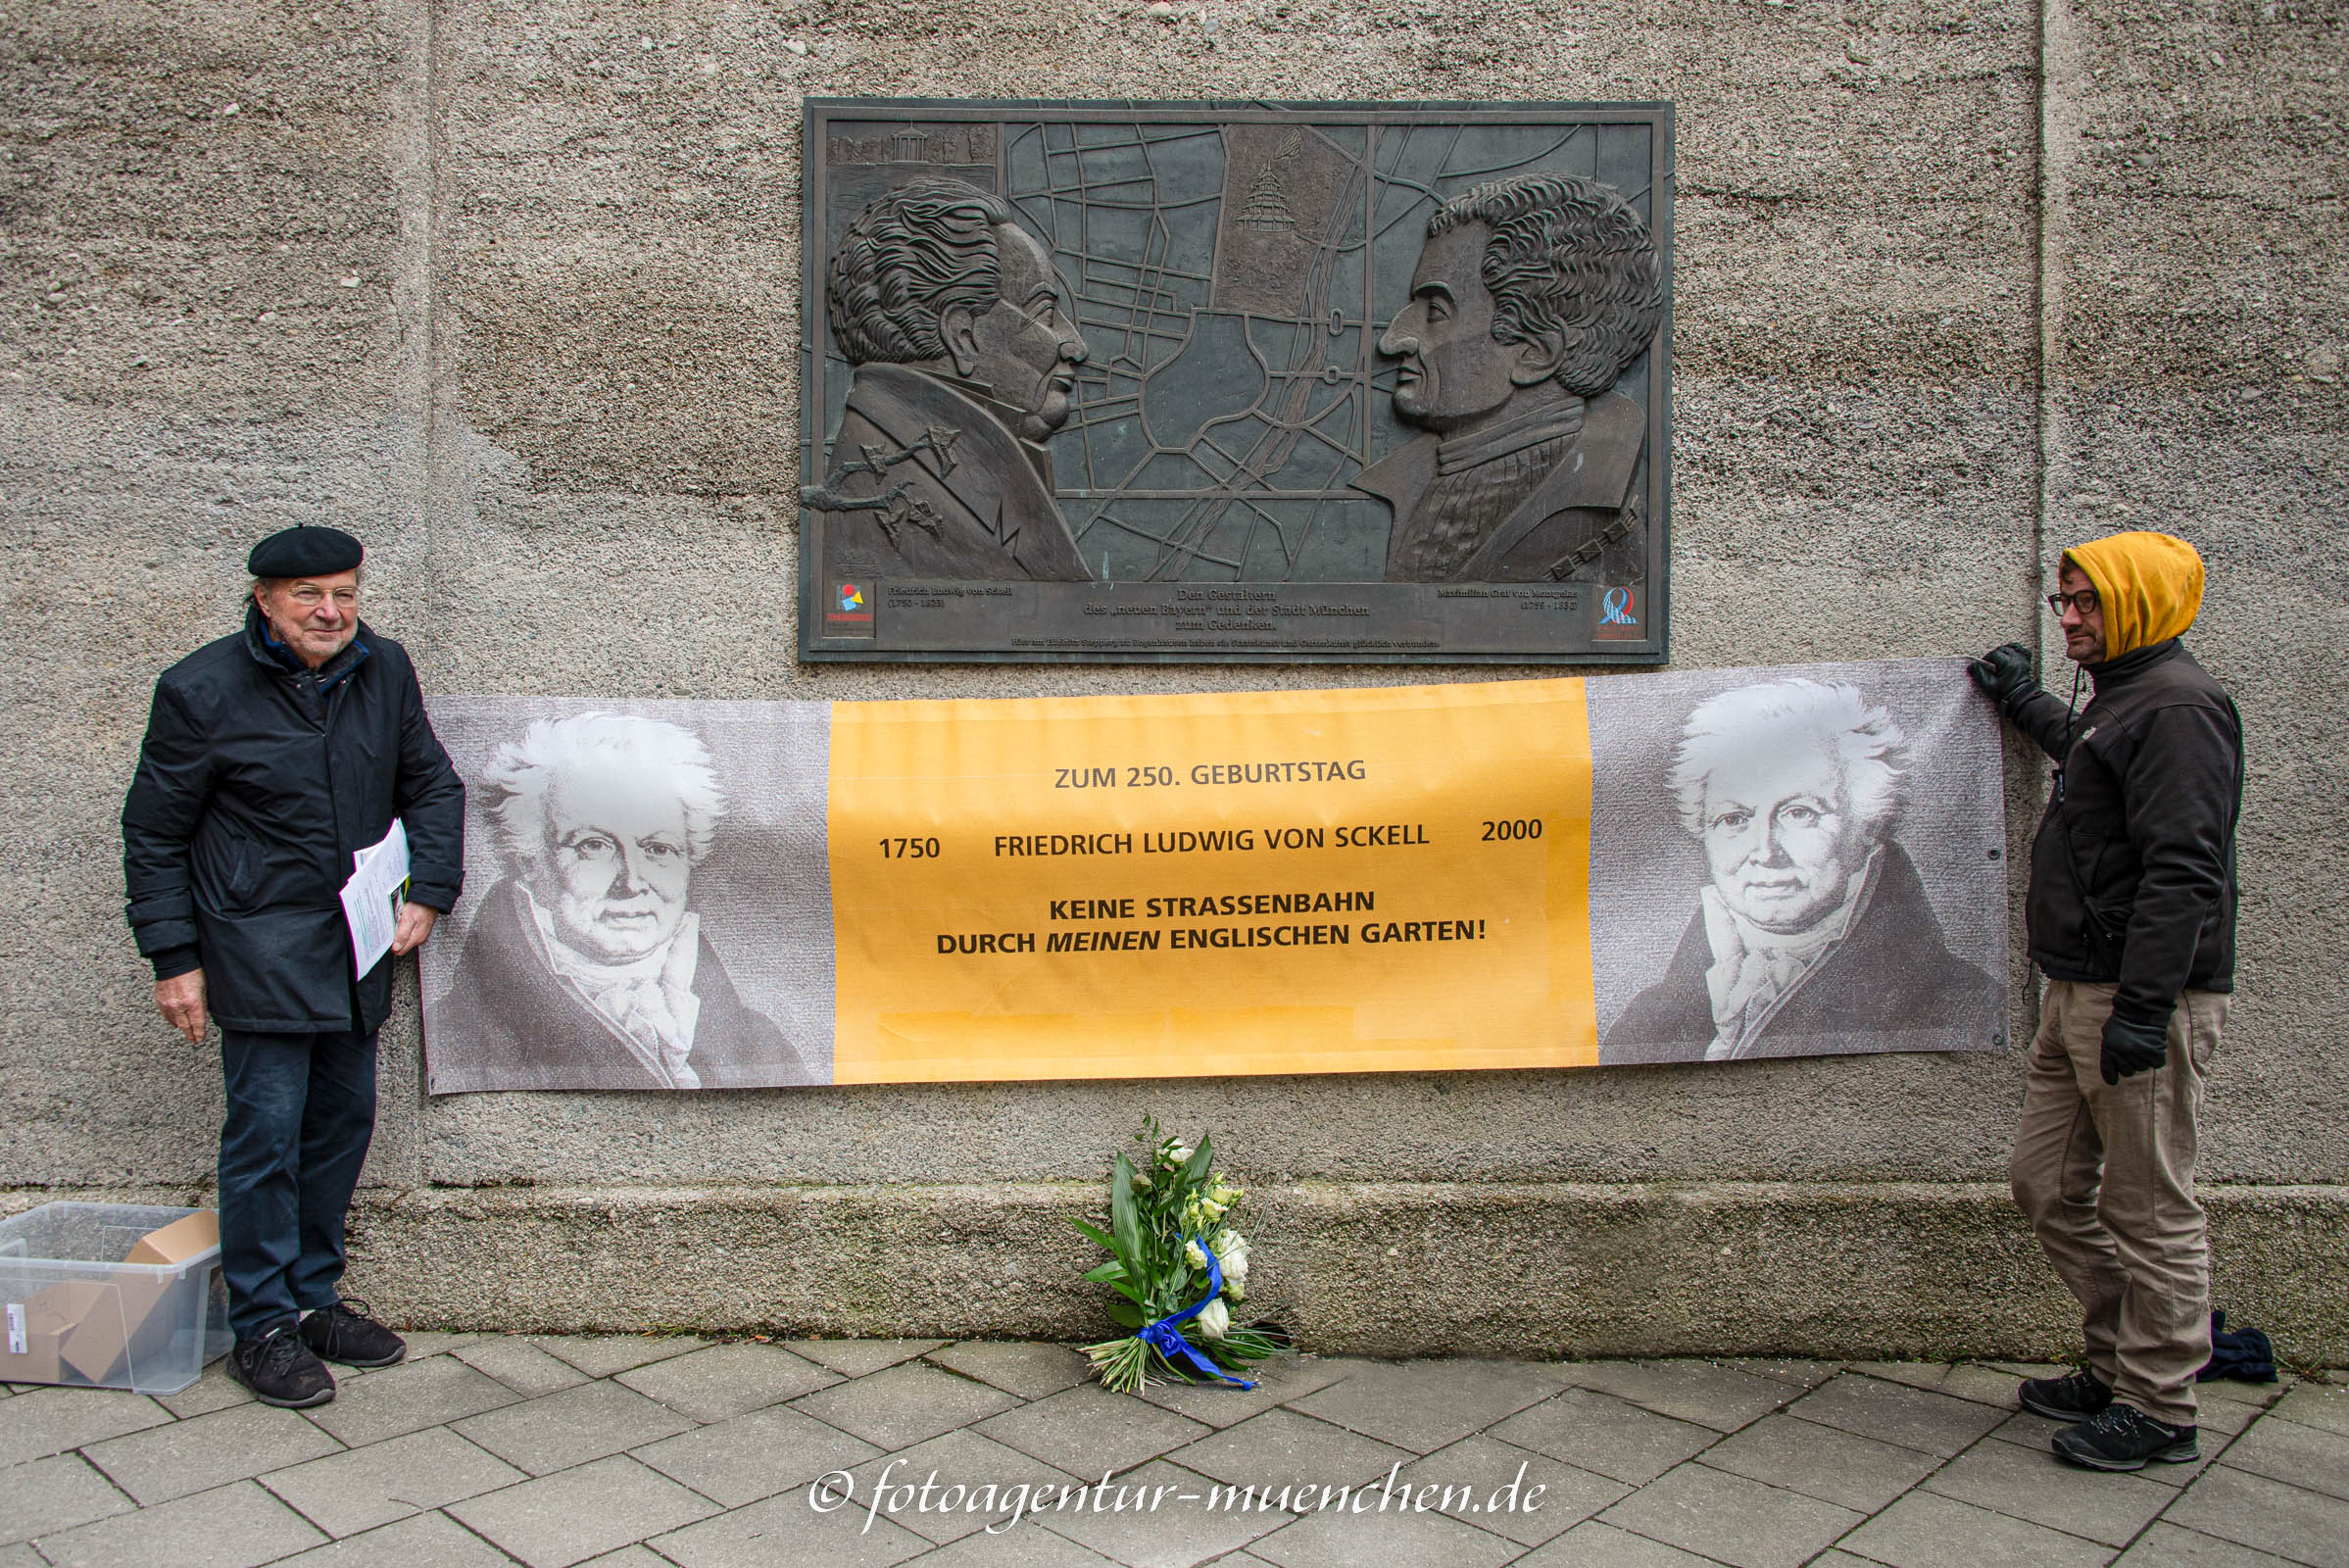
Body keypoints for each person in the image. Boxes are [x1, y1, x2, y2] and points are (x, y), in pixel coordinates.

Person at [122, 525, 465, 1408]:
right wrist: (175, 958)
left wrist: (429, 887)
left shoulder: (382, 668)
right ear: (264, 600)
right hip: (257, 943)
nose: (331, 611)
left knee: (340, 1127)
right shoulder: (200, 690)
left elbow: (430, 784)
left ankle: (314, 1300)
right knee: (265, 1139)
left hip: (358, 944)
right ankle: (262, 1325)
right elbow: (154, 832)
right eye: (310, 595)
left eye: (346, 592)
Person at [1972, 530, 2242, 1472]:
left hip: (2137, 1002)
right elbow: (2088, 753)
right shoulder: (2126, 701)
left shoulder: (2180, 709)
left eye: (2087, 602)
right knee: (2043, 1183)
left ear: (2140, 602)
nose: (2071, 619)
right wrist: (2022, 701)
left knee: (2148, 1207)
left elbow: (2184, 869)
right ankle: (2121, 1360)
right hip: (2076, 989)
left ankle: (2162, 1404)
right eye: (2064, 602)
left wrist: (2142, 1006)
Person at [1601, 678, 1999, 1064]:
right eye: (1734, 818)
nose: (1765, 851)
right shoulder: (1647, 1022)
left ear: (1868, 824)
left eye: (1799, 813)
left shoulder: (1964, 1005)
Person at [434, 712, 812, 1090]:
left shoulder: (757, 1044)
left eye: (658, 849)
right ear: (529, 859)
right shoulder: (460, 1038)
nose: (631, 883)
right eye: (594, 846)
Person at [1352, 172, 1664, 585]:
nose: (1393, 341)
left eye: (1436, 313)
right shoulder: (1412, 482)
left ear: (1536, 354)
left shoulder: (1604, 526)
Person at [808, 177, 1094, 582]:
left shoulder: (898, 450)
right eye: (1045, 314)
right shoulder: (884, 484)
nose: (1075, 346)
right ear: (963, 337)